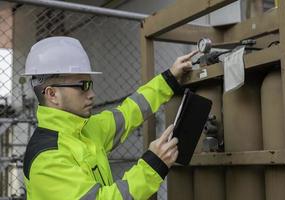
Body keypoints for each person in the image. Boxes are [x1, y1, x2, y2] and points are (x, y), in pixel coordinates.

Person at [22, 36, 197, 199]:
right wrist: (153, 166)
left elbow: (130, 112)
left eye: (91, 84)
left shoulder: (85, 130)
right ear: (52, 94)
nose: (92, 94)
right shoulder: (47, 159)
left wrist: (169, 79)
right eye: (83, 86)